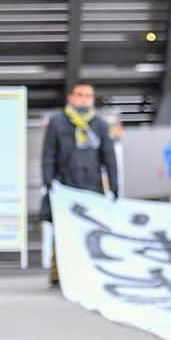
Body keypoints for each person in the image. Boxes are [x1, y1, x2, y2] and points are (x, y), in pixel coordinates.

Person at [41, 81, 118, 286]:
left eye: (88, 96)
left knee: (90, 230)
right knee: (63, 230)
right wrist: (48, 181)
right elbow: (49, 154)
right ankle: (58, 273)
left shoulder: (100, 125)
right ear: (71, 97)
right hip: (64, 185)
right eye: (80, 95)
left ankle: (88, 272)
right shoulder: (57, 123)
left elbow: (109, 157)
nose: (84, 99)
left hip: (92, 187)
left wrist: (114, 185)